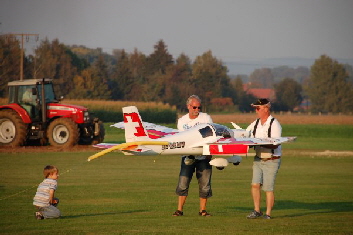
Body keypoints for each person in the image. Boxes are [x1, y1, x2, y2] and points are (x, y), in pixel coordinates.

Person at [173, 95, 213, 217]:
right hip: (187, 156)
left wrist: (209, 154)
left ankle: (203, 210)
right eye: (194, 107)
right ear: (188, 106)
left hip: (203, 157)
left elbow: (212, 136)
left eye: (199, 107)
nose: (197, 110)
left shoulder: (206, 118)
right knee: (183, 182)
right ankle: (179, 210)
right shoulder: (182, 121)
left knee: (205, 184)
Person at [245, 98, 282, 220]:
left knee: (268, 188)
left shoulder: (274, 124)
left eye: (258, 108)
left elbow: (275, 144)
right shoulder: (255, 123)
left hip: (272, 159)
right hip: (258, 158)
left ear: (266, 109)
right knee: (255, 185)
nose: (256, 111)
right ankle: (257, 210)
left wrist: (259, 143)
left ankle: (268, 214)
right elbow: (246, 134)